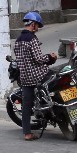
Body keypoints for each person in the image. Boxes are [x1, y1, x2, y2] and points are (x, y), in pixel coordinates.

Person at [13, 11, 51, 141]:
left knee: (26, 106)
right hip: (38, 75)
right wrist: (50, 57)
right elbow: (39, 59)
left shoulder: (17, 41)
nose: (38, 28)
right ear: (33, 24)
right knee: (54, 83)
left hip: (25, 78)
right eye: (38, 26)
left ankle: (27, 133)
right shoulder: (32, 39)